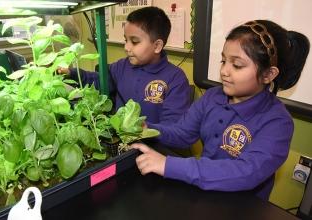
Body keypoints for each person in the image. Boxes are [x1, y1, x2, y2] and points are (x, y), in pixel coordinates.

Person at [132, 20, 310, 200]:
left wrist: (168, 165)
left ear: (268, 74)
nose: (224, 71)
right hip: (203, 193)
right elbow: (183, 133)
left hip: (241, 206)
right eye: (223, 60)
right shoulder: (213, 96)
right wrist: (148, 129)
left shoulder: (278, 121)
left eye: (237, 65)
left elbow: (246, 172)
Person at [58, 6, 191, 125]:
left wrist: (142, 130)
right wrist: (72, 73)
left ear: (157, 46)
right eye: (126, 40)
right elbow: (99, 81)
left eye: (134, 41)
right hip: (122, 143)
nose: (126, 47)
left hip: (153, 148)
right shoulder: (122, 66)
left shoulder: (175, 79)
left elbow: (173, 128)